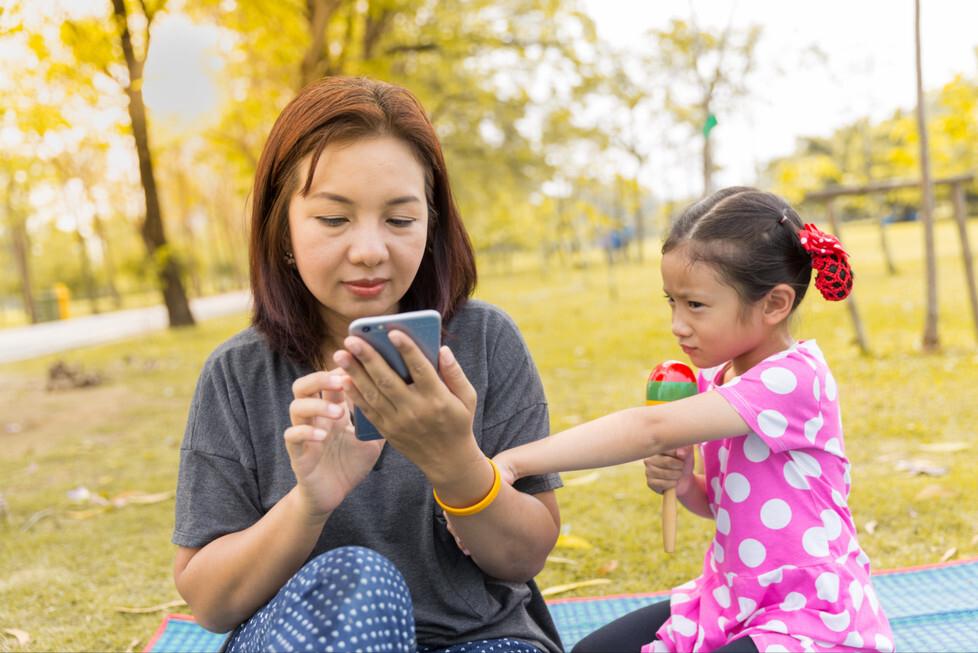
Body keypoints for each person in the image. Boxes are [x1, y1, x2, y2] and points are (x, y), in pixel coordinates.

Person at [171, 76, 563, 653]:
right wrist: (310, 501)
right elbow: (209, 601)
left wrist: (455, 460)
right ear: (282, 227)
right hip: (310, 639)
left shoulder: (485, 342)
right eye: (334, 219)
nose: (370, 250)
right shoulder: (238, 375)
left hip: (477, 639)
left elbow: (522, 558)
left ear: (430, 226)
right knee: (363, 580)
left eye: (400, 220)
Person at [492, 188, 894, 652]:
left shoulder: (794, 380)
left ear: (774, 304)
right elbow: (722, 503)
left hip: (808, 612)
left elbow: (649, 430)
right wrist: (686, 483)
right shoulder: (714, 379)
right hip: (732, 598)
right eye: (672, 302)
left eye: (695, 305)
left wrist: (515, 462)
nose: (677, 324)